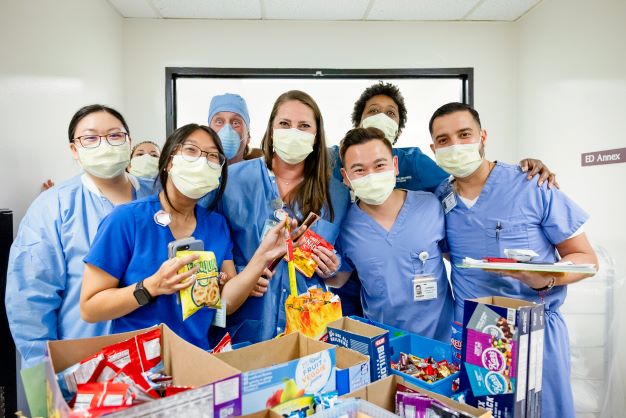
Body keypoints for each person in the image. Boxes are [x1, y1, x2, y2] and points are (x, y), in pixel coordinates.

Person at [332, 81, 559, 317]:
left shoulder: (417, 170)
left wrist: (517, 173)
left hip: (432, 311)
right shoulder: (337, 160)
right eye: (373, 111)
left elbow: (462, 177)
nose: (382, 117)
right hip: (365, 290)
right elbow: (337, 275)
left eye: (391, 113)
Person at [430, 102, 598, 418]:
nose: (455, 145)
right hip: (478, 334)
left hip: (532, 328)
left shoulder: (531, 183)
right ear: (433, 148)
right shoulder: (440, 198)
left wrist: (549, 278)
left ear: (483, 137)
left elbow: (586, 257)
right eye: (444, 140)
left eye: (464, 134)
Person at [80, 124, 292, 350]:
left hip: (196, 359)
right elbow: (90, 308)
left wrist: (263, 254)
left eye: (213, 157)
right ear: (169, 162)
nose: (203, 162)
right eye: (191, 150)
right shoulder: (126, 220)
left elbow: (224, 302)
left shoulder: (216, 225)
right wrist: (151, 286)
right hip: (138, 367)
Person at [6, 104, 155, 368]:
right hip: (84, 362)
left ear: (128, 142)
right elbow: (31, 299)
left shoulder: (157, 199)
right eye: (90, 138)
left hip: (156, 357)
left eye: (114, 135)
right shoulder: (54, 207)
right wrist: (44, 374)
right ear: (74, 149)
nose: (104, 145)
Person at [214, 90, 350, 344]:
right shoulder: (233, 181)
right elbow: (214, 248)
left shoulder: (336, 193)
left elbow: (343, 267)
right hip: (247, 322)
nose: (294, 132)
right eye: (285, 124)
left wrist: (333, 266)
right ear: (271, 129)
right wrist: (239, 278)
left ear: (316, 136)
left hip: (309, 326)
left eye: (304, 126)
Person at [327, 127, 454, 341]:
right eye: (359, 170)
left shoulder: (430, 206)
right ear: (346, 177)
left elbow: (457, 257)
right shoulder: (345, 227)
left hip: (442, 342)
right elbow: (338, 279)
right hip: (384, 348)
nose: (371, 176)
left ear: (395, 165)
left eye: (379, 165)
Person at [208, 93, 263, 165]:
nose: (227, 130)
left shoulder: (260, 173)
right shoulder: (195, 171)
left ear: (248, 136)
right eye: (219, 122)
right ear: (208, 134)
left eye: (235, 123)